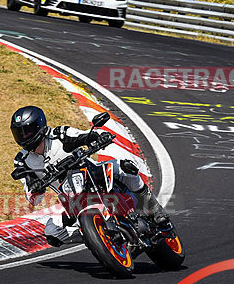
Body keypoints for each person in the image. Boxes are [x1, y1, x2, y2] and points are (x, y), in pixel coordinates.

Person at [10, 105, 170, 247]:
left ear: (40, 125)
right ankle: (98, 237)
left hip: (92, 172)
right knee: (52, 233)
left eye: (28, 131)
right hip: (69, 198)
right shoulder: (22, 161)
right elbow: (33, 199)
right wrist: (36, 188)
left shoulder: (60, 135)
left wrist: (100, 137)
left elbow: (86, 135)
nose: (25, 137)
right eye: (20, 134)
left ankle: (156, 211)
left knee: (126, 168)